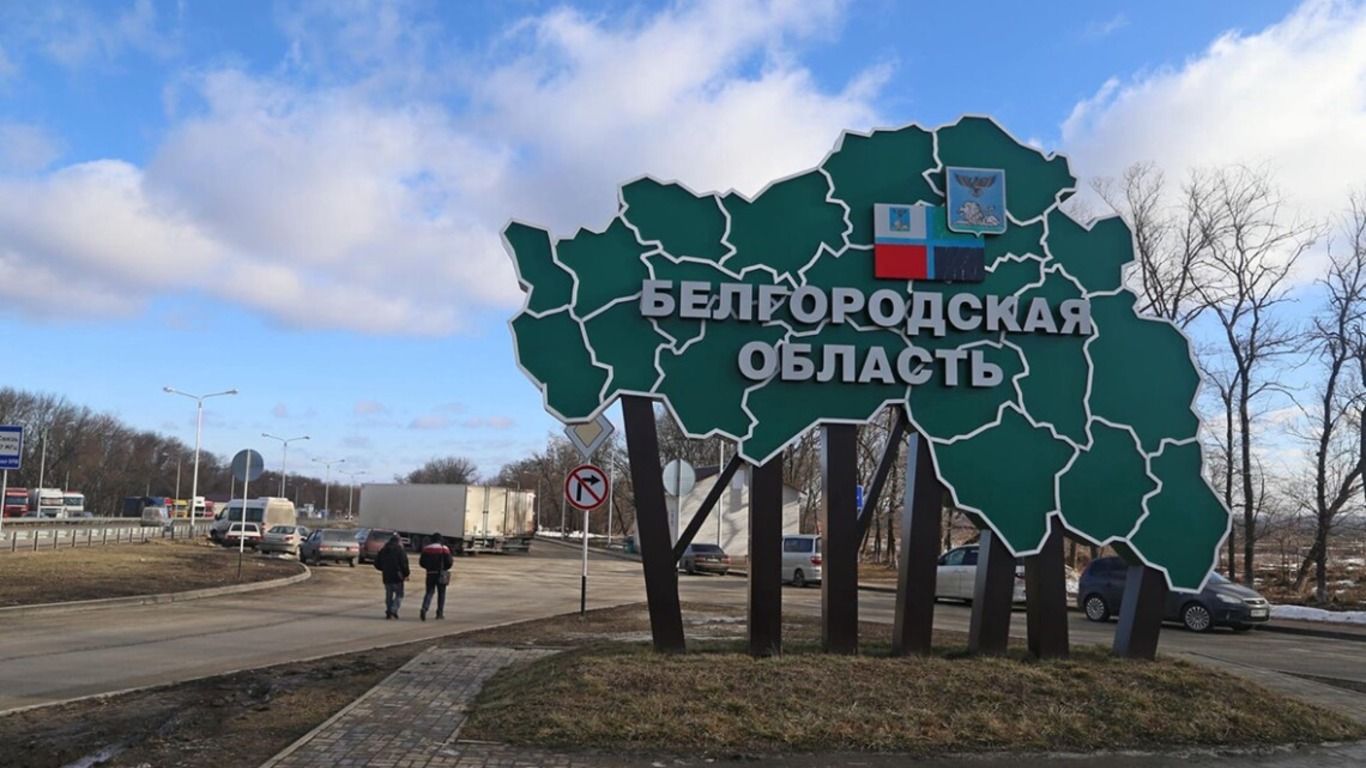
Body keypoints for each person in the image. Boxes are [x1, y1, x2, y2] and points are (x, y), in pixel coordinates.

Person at [419, 532, 454, 621]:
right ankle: (439, 613)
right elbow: (449, 562)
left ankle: (424, 608)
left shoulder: (426, 549)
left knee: (429, 592)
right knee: (441, 594)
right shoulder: (444, 549)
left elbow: (421, 563)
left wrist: (428, 567)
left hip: (430, 573)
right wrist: (445, 568)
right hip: (441, 574)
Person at [373, 534, 409, 619]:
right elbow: (404, 564)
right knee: (399, 595)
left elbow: (376, 563)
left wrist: (383, 569)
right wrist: (406, 574)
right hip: (397, 576)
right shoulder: (400, 550)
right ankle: (393, 610)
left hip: (386, 576)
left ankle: (389, 610)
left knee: (388, 595)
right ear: (398, 542)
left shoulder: (383, 550)